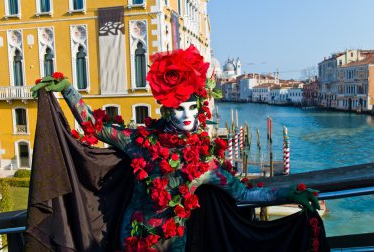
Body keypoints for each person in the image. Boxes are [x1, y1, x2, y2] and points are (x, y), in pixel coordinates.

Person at [31, 45, 320, 251]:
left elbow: (245, 193)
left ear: (199, 110)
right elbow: (95, 127)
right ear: (168, 111)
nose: (185, 116)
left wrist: (288, 192)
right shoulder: (140, 144)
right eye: (178, 109)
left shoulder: (204, 162)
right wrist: (69, 89)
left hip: (175, 242)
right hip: (132, 236)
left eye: (191, 109)